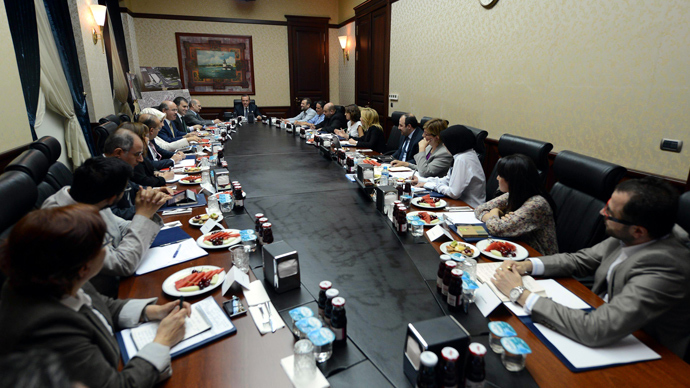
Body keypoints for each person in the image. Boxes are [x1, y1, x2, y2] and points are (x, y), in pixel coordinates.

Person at [492, 177, 690, 359]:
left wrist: (519, 293)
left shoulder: (666, 267)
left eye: (609, 213)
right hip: (602, 319)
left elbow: (597, 329)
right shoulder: (632, 233)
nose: (601, 212)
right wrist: (526, 265)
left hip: (647, 356)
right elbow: (580, 260)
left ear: (638, 231)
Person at [0, 205, 190, 388]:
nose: (108, 249)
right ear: (84, 268)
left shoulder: (52, 275)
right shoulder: (49, 328)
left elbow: (98, 305)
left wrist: (152, 311)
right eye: (105, 244)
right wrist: (163, 340)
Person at [41, 157, 167, 280]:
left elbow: (120, 227)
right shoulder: (65, 223)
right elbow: (122, 265)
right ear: (112, 198)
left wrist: (146, 213)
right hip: (100, 290)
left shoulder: (90, 196)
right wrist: (143, 215)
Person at [474, 154, 558, 255]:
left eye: (500, 175)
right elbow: (479, 209)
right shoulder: (514, 193)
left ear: (513, 180)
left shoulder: (537, 203)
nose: (497, 178)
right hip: (516, 248)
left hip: (538, 258)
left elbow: (497, 228)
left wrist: (494, 212)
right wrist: (497, 216)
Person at [413, 125, 485, 207]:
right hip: (459, 203)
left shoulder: (463, 159)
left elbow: (454, 193)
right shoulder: (462, 154)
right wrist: (421, 180)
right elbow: (448, 180)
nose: (443, 145)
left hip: (469, 207)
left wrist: (432, 186)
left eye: (446, 142)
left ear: (454, 143)